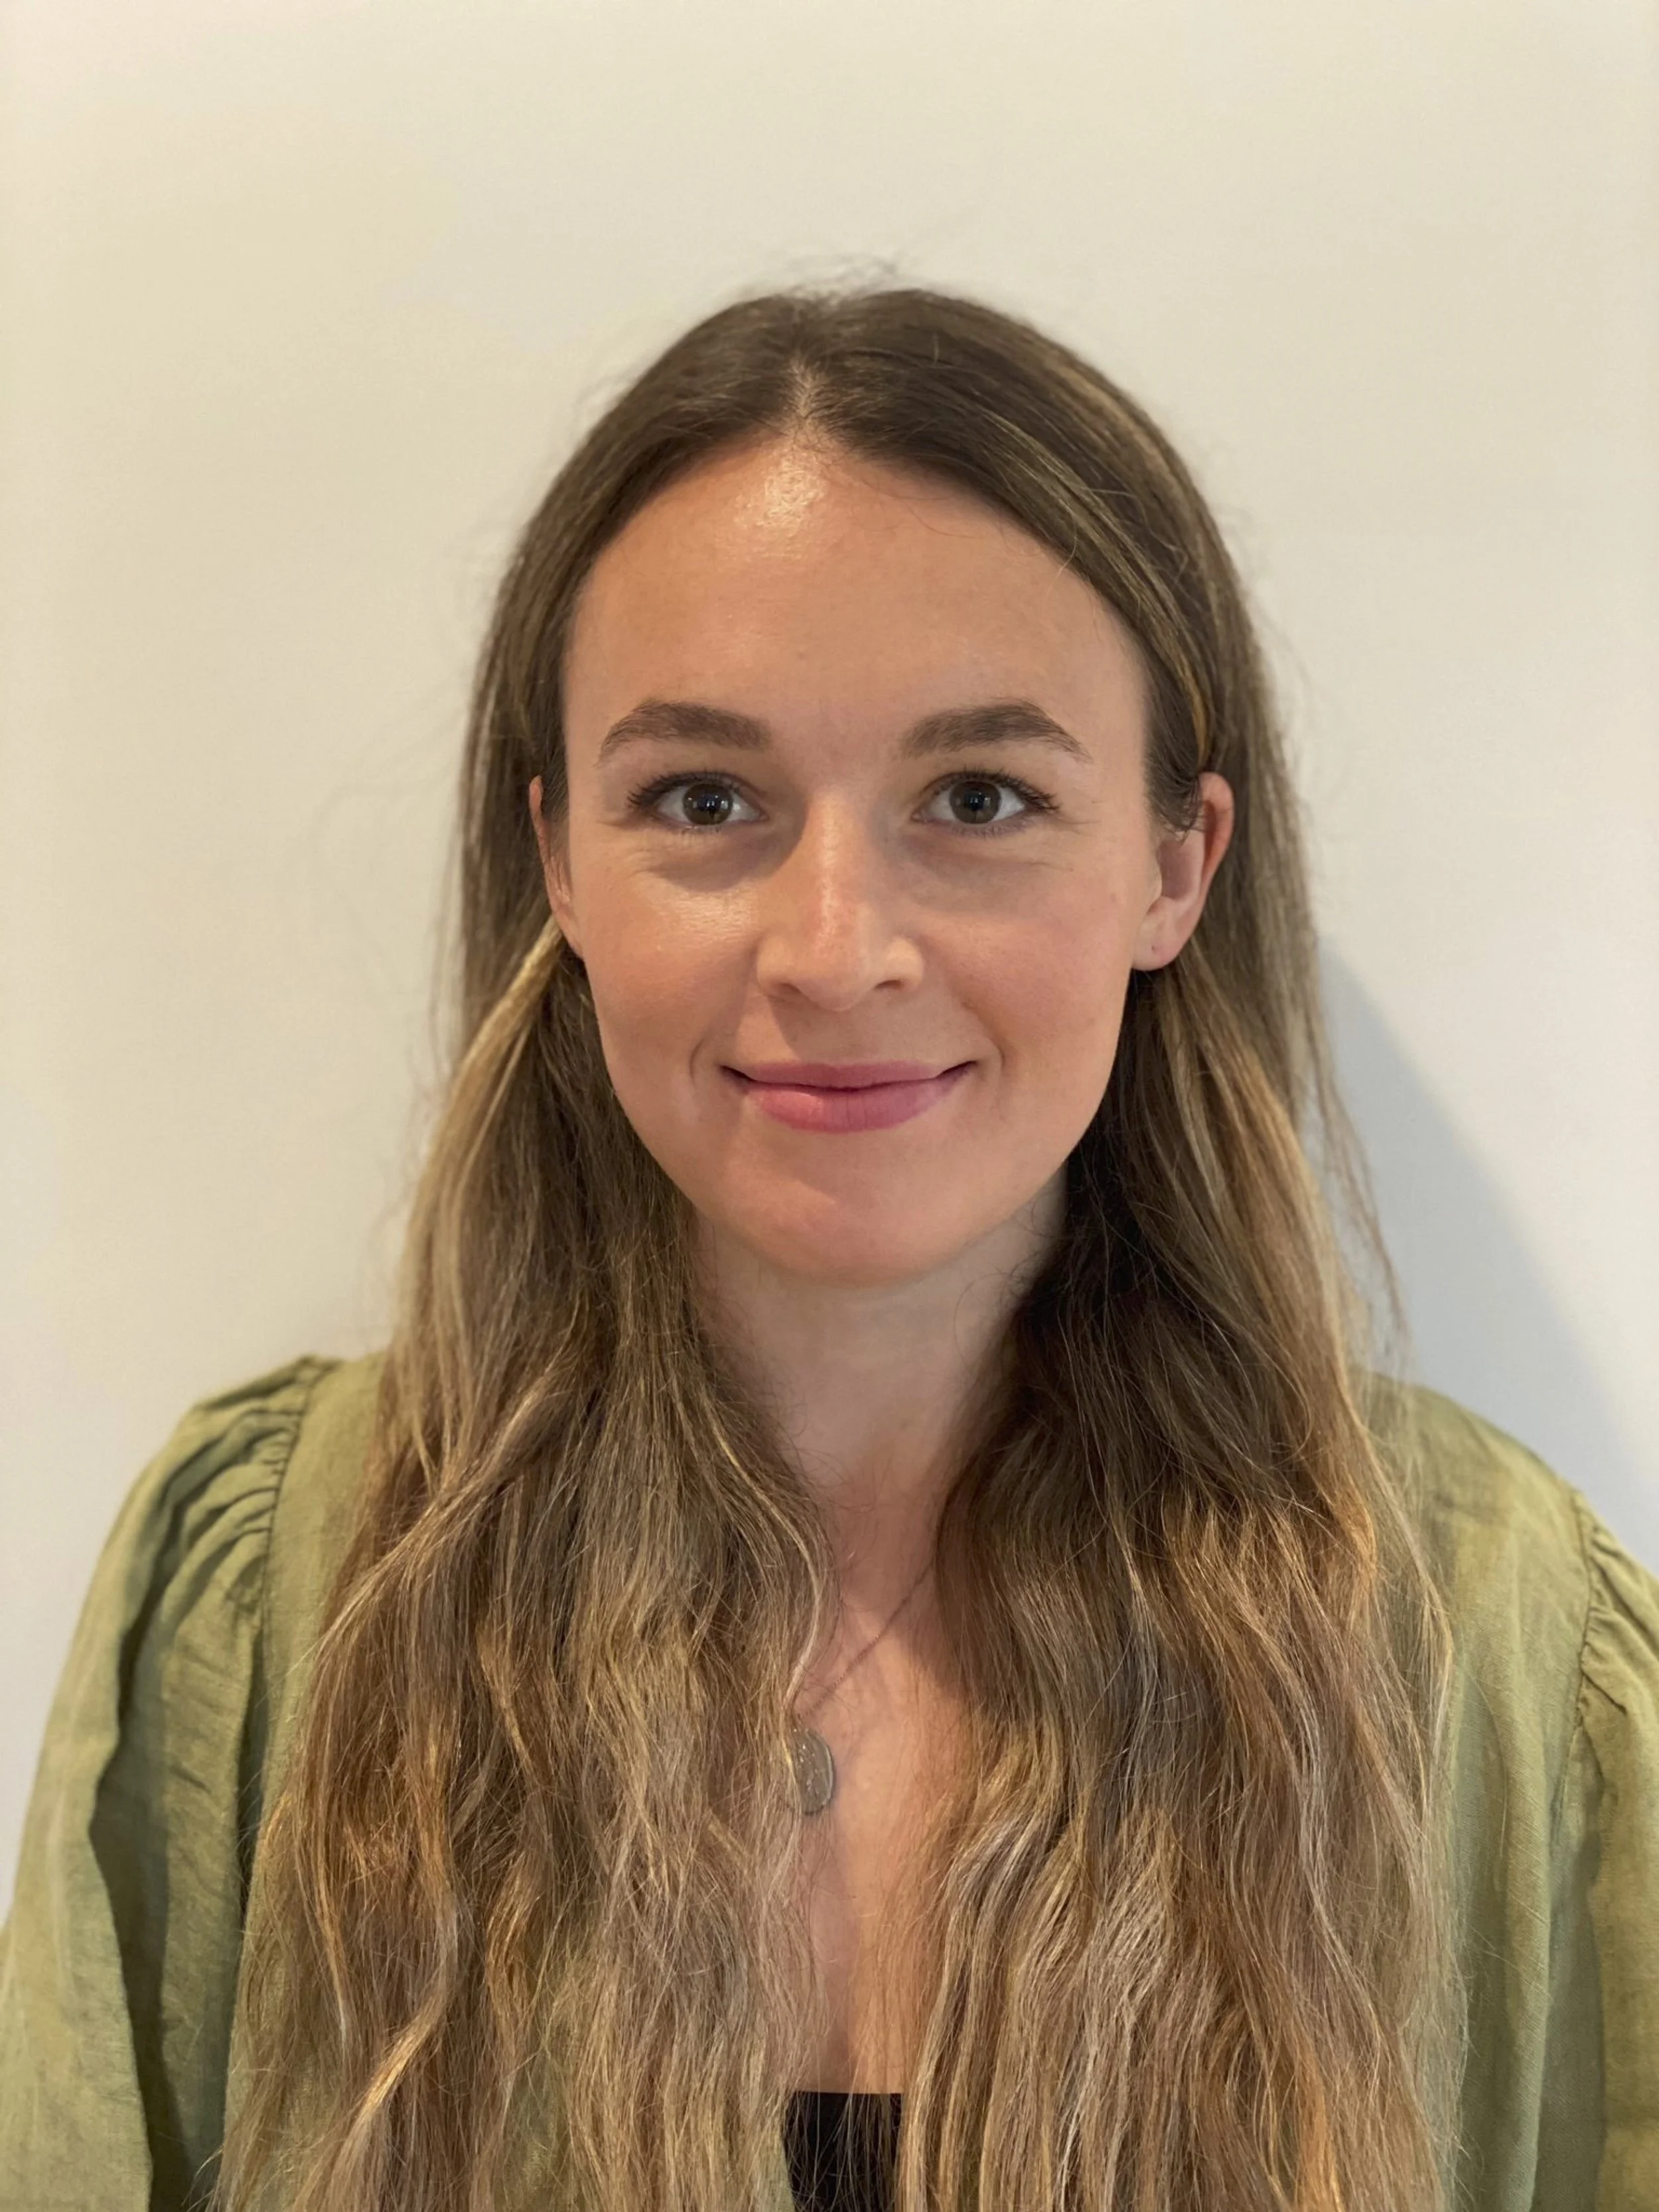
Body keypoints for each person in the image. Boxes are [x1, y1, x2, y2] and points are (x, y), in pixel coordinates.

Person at [1, 285, 1655, 2212]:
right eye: (704, 798)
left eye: (978, 798)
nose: (834, 946)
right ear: (558, 860)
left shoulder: (1494, 1653)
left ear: (1171, 864)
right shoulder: (266, 1599)